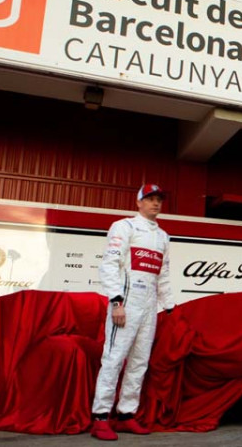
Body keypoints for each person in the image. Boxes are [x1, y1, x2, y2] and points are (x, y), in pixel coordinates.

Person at [90, 184, 176, 441]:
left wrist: (169, 307)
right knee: (114, 359)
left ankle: (126, 415)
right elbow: (110, 264)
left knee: (139, 362)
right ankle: (100, 417)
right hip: (126, 301)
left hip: (149, 304)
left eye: (159, 199)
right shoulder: (123, 226)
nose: (156, 203)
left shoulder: (163, 236)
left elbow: (163, 274)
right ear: (138, 202)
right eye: (150, 199)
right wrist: (116, 301)